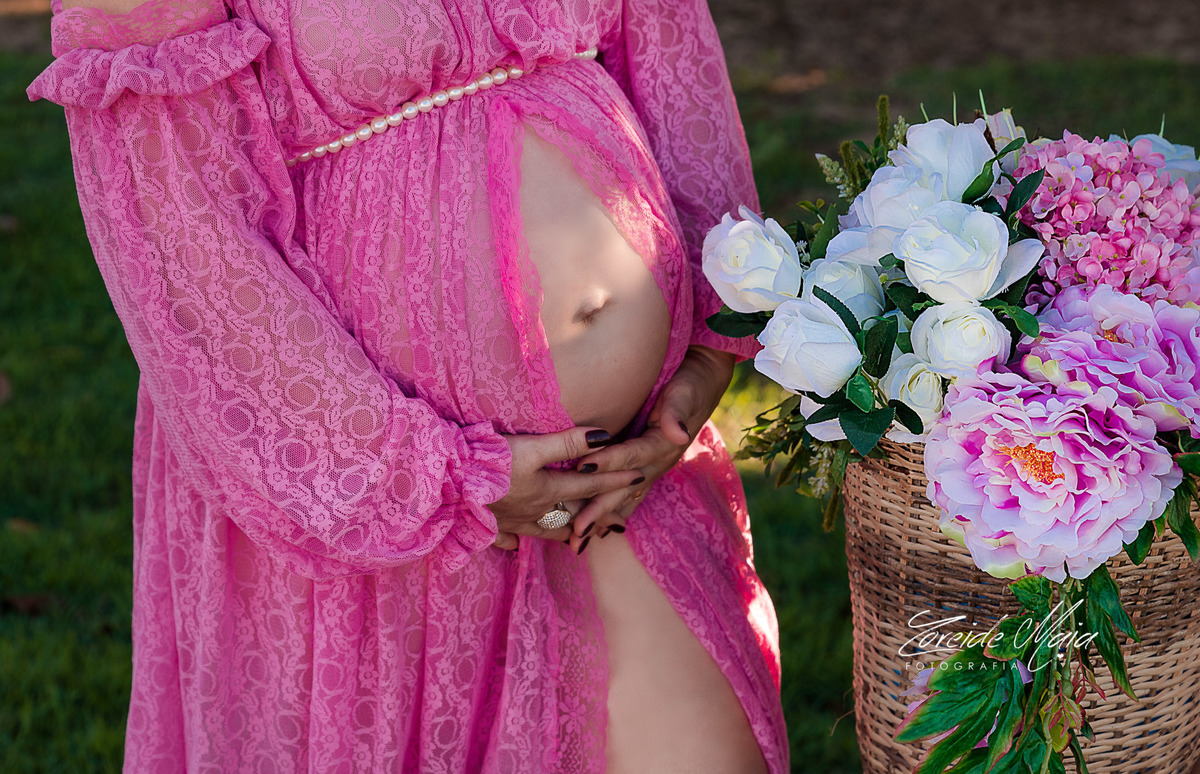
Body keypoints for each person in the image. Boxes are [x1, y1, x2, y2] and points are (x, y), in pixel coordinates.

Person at [28, 0, 789, 770]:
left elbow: (668, 54)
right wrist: (428, 480)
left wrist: (712, 339)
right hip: (378, 504)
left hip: (629, 476)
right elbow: (177, 225)